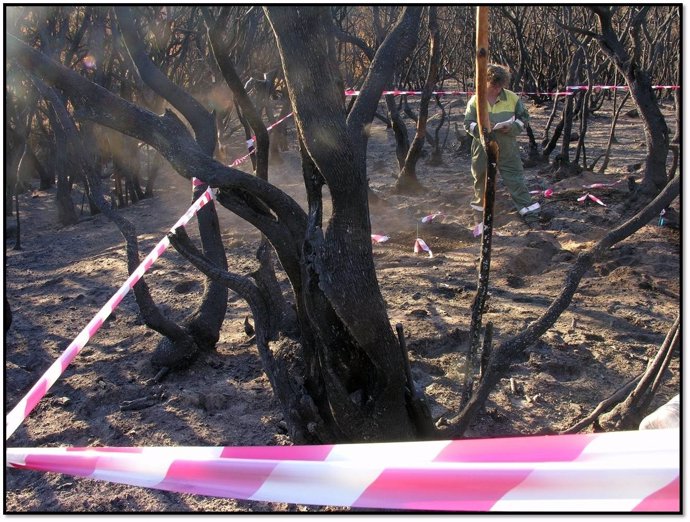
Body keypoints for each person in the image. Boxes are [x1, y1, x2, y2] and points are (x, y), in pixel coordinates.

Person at [464, 64, 540, 225]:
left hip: (508, 147)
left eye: (500, 86)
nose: (497, 89)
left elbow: (524, 118)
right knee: (481, 179)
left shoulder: (512, 98)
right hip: (482, 148)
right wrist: (482, 129)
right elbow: (468, 123)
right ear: (485, 82)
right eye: (493, 86)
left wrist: (512, 127)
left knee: (515, 178)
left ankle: (530, 214)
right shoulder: (476, 100)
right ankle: (480, 213)